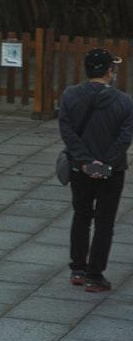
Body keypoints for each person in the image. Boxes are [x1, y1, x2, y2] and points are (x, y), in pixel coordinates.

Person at [58, 47, 133, 293]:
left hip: (81, 169)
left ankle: (77, 268)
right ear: (110, 71)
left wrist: (85, 161)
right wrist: (106, 163)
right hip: (112, 171)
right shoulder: (124, 101)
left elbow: (67, 131)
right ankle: (95, 275)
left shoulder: (70, 95)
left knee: (81, 215)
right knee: (104, 222)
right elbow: (125, 138)